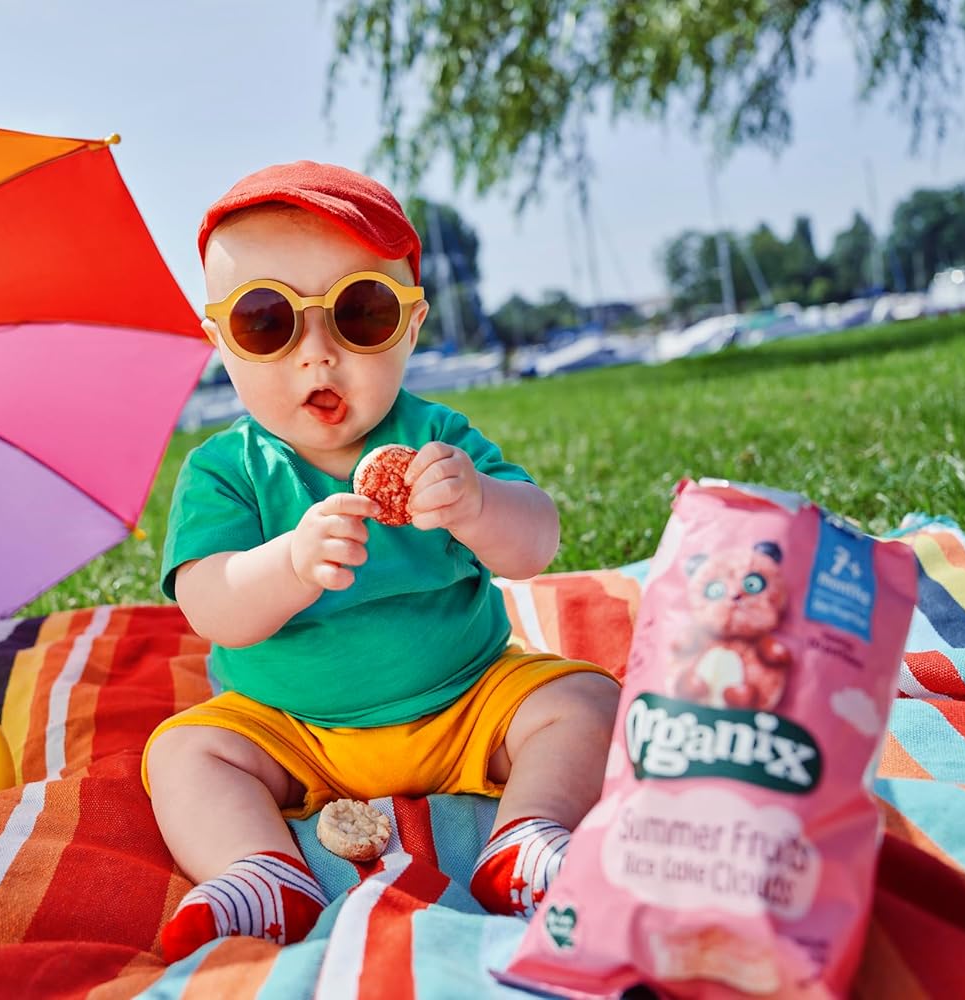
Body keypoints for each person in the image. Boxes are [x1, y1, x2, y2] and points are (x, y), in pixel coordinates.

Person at [142, 161, 619, 962]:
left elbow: (536, 544)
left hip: (465, 702)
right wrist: (290, 566)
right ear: (220, 341)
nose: (318, 355)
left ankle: (528, 837)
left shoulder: (438, 441)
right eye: (267, 321)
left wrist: (480, 506)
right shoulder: (226, 470)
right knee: (185, 754)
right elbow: (210, 604)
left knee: (586, 701)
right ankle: (258, 871)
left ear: (411, 323)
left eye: (361, 313)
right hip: (293, 730)